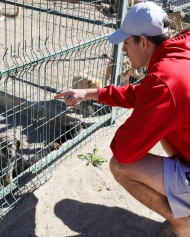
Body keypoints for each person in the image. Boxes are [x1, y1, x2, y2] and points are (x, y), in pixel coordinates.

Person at [54, 1, 190, 236]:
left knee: (121, 167)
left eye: (127, 42)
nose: (124, 49)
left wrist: (138, 122)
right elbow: (144, 94)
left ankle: (183, 224)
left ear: (143, 42)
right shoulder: (178, 54)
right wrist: (89, 93)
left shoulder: (164, 81)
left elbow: (124, 151)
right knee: (166, 128)